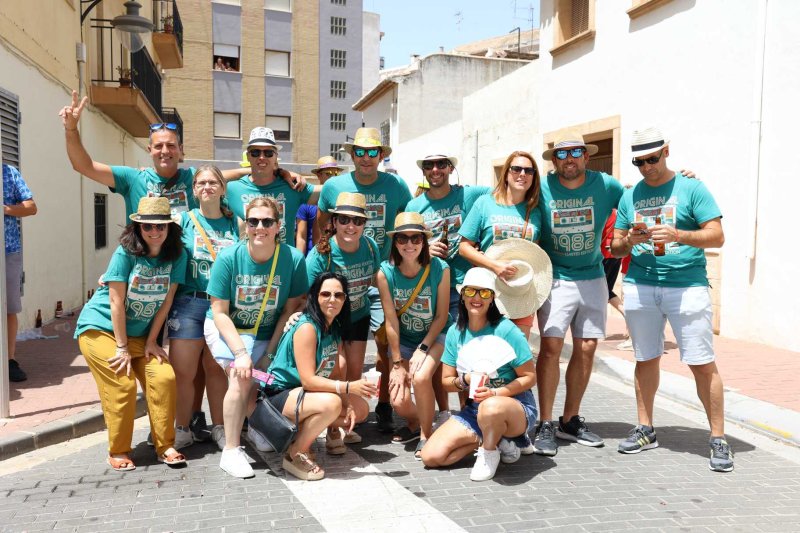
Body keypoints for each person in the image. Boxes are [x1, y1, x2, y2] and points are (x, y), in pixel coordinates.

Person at [611, 127, 732, 472]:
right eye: (639, 162)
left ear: (666, 151)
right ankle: (646, 428)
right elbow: (615, 245)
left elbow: (717, 236)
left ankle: (718, 439)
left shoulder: (692, 187)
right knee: (645, 357)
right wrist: (629, 242)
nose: (647, 167)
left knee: (700, 361)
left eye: (652, 158)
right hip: (640, 283)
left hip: (686, 285)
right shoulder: (630, 196)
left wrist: (678, 234)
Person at [74, 197, 187, 470]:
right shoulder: (125, 253)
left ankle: (165, 445)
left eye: (160, 226)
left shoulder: (178, 255)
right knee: (122, 382)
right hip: (101, 329)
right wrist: (122, 348)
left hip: (139, 335)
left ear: (170, 228)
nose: (154, 232)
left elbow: (167, 302)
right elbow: (115, 303)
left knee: (163, 376)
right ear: (137, 228)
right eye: (147, 226)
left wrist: (151, 341)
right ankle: (119, 449)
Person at [60, 92, 300, 220]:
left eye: (171, 146)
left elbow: (238, 173)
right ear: (150, 151)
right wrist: (71, 130)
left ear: (181, 151)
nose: (165, 151)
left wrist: (280, 171)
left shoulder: (195, 179)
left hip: (184, 279)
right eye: (159, 146)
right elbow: (85, 166)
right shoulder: (132, 179)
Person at [532, 130, 624, 456]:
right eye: (562, 154)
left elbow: (636, 200)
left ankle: (569, 420)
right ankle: (544, 423)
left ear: (586, 156)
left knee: (586, 349)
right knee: (551, 346)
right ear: (554, 160)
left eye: (575, 153)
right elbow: (504, 197)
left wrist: (682, 180)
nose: (569, 160)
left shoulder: (606, 185)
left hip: (594, 276)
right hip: (555, 277)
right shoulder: (541, 187)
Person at [317, 127, 413, 433]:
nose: (366, 158)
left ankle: (383, 404)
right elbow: (322, 225)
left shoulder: (396, 185)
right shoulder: (333, 185)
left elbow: (407, 220)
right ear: (351, 154)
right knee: (338, 358)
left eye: (373, 152)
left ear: (381, 155)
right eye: (360, 151)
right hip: (343, 279)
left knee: (387, 342)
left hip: (381, 274)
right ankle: (335, 416)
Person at [205, 196, 307, 478]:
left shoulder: (293, 259)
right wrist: (241, 353)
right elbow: (219, 312)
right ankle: (231, 450)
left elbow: (290, 309)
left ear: (277, 226)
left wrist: (269, 354)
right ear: (246, 225)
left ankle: (258, 426)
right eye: (253, 221)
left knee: (260, 376)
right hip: (229, 329)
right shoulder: (229, 258)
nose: (260, 227)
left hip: (266, 331)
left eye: (267, 221)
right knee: (241, 376)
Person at [420, 267, 537, 482]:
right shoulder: (456, 332)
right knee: (431, 456)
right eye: (471, 291)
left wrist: (497, 393)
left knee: (491, 406)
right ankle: (500, 439)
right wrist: (464, 379)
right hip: (476, 409)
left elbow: (530, 377)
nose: (477, 298)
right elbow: (446, 382)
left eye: (484, 293)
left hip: (515, 404)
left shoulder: (507, 330)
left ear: (492, 298)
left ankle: (489, 452)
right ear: (462, 295)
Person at [265, 272, 376, 480]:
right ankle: (295, 453)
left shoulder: (333, 326)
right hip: (280, 394)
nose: (332, 299)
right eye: (325, 294)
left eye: (339, 295)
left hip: (304, 394)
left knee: (360, 409)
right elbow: (308, 379)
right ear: (315, 297)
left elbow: (334, 372)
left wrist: (348, 402)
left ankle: (313, 433)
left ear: (345, 299)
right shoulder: (307, 327)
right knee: (332, 404)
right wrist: (349, 388)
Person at [166, 166, 238, 451]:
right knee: (182, 372)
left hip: (222, 305)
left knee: (215, 369)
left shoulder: (237, 225)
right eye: (201, 183)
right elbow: (154, 248)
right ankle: (181, 428)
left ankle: (220, 428)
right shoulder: (181, 220)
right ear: (193, 190)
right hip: (188, 303)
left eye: (213, 182)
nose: (207, 186)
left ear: (222, 189)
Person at [305, 192, 380, 444]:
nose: (351, 226)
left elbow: (375, 279)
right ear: (334, 221)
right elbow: (309, 295)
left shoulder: (371, 246)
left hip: (358, 315)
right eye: (345, 220)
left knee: (355, 375)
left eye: (357, 221)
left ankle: (345, 421)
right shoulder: (320, 255)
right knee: (337, 369)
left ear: (364, 225)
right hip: (330, 321)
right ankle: (332, 428)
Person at [376, 212, 452, 458]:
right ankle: (423, 420)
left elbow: (441, 316)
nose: (409, 244)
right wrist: (397, 362)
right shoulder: (385, 273)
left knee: (420, 378)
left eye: (416, 239)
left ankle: (425, 435)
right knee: (398, 401)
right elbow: (391, 321)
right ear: (395, 242)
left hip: (435, 335)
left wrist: (423, 348)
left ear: (424, 241)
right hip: (404, 339)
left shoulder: (440, 268)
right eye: (402, 239)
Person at [458, 150, 542, 338]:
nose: (522, 174)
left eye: (529, 171)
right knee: (484, 354)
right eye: (516, 169)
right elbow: (463, 247)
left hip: (520, 292)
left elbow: (535, 253)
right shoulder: (485, 203)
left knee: (516, 355)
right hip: (486, 291)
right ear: (506, 174)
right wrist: (495, 266)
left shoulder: (535, 211)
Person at [405, 153, 491, 321]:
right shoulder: (413, 206)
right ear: (423, 171)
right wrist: (425, 251)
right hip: (429, 287)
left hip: (464, 287)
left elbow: (502, 196)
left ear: (451, 168)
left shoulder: (469, 194)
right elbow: (404, 250)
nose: (435, 170)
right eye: (429, 166)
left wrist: (482, 243)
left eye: (441, 164)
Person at [226, 128, 317, 248]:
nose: (262, 157)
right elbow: (204, 176)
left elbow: (329, 191)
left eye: (268, 153)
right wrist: (273, 169)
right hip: (245, 264)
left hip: (281, 264)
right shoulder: (232, 189)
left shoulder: (292, 186)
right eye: (255, 153)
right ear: (248, 156)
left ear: (276, 157)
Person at [2, 163, 37, 382]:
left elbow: (31, 207)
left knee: (9, 307)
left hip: (7, 250)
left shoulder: (9, 172)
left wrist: (5, 209)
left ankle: (9, 361)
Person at [296, 156, 343, 255]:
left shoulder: (342, 201)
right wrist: (300, 263)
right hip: (313, 257)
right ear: (318, 175)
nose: (333, 177)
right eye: (328, 173)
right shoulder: (306, 203)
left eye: (336, 173)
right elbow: (301, 237)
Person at [601, 209, 632, 349]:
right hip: (616, 255)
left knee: (602, 291)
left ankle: (625, 313)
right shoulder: (622, 215)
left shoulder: (608, 212)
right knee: (604, 291)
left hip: (604, 254)